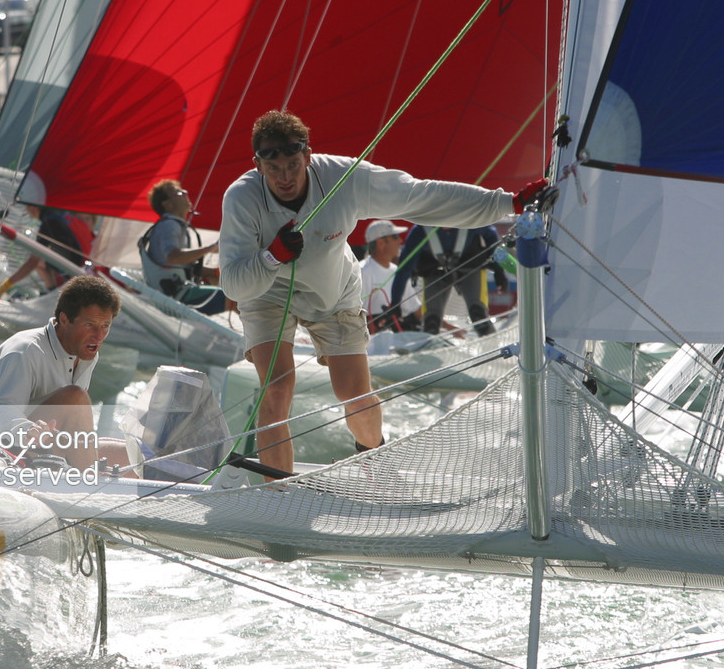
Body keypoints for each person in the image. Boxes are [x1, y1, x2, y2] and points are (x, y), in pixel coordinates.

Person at [219, 109, 550, 473]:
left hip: (333, 292)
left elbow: (420, 196)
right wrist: (271, 257)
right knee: (278, 389)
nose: (285, 178)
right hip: (266, 292)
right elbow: (233, 283)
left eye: (293, 165)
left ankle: (374, 463)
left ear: (308, 157)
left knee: (355, 397)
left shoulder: (342, 178)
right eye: (273, 169)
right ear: (257, 165)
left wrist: (508, 204)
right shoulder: (241, 198)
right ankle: (276, 493)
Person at [0, 274, 133, 473]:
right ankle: (90, 490)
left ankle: (95, 481)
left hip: (50, 447)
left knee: (133, 458)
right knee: (74, 398)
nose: (99, 335)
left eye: (105, 326)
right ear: (64, 320)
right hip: (4, 453)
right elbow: (0, 411)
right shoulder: (24, 351)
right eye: (89, 325)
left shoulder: (86, 352)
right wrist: (27, 429)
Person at [391, 223, 508, 336]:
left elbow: (492, 237)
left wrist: (499, 271)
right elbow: (404, 270)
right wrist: (395, 303)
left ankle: (492, 348)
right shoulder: (420, 230)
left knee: (478, 315)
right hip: (435, 272)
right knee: (431, 321)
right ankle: (429, 351)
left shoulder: (471, 221)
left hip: (469, 269)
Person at [0, 177, 87, 300]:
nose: (26, 211)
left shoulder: (49, 223)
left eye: (27, 207)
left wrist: (6, 285)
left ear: (34, 207)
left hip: (74, 268)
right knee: (40, 262)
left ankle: (51, 296)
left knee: (37, 262)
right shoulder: (52, 218)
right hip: (75, 264)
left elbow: (33, 261)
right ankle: (51, 293)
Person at [138, 179, 226, 315]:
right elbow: (173, 257)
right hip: (178, 297)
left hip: (177, 293)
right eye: (178, 193)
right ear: (167, 204)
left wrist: (221, 272)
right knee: (237, 298)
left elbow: (182, 267)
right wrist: (210, 248)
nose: (185, 193)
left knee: (223, 278)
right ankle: (259, 335)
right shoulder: (169, 225)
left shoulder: (171, 224)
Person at [359, 220, 421, 333]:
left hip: (394, 335)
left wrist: (449, 328)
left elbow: (417, 311)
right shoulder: (362, 272)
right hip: (373, 340)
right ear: (381, 243)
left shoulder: (398, 272)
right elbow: (353, 316)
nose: (400, 241)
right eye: (395, 237)